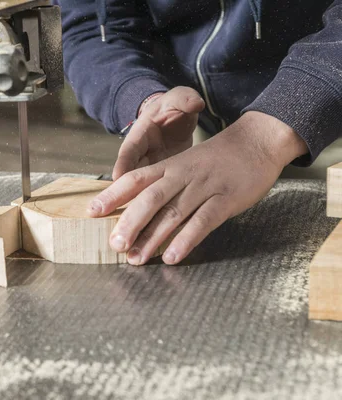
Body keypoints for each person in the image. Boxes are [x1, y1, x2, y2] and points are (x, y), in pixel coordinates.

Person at [60, 0, 342, 266]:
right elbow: (90, 27)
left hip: (329, 112)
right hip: (202, 134)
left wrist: (261, 138)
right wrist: (142, 98)